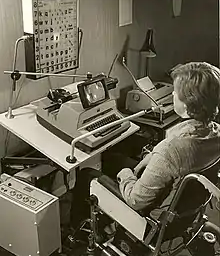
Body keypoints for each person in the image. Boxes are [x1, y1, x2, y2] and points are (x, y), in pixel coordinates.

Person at [70, 62, 220, 227]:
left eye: (175, 92)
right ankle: (106, 214)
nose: (172, 93)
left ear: (186, 103)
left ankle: (76, 234)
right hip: (184, 213)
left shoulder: (171, 149)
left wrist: (126, 174)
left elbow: (135, 201)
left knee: (87, 175)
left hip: (152, 221)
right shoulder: (215, 132)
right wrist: (152, 157)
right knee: (113, 159)